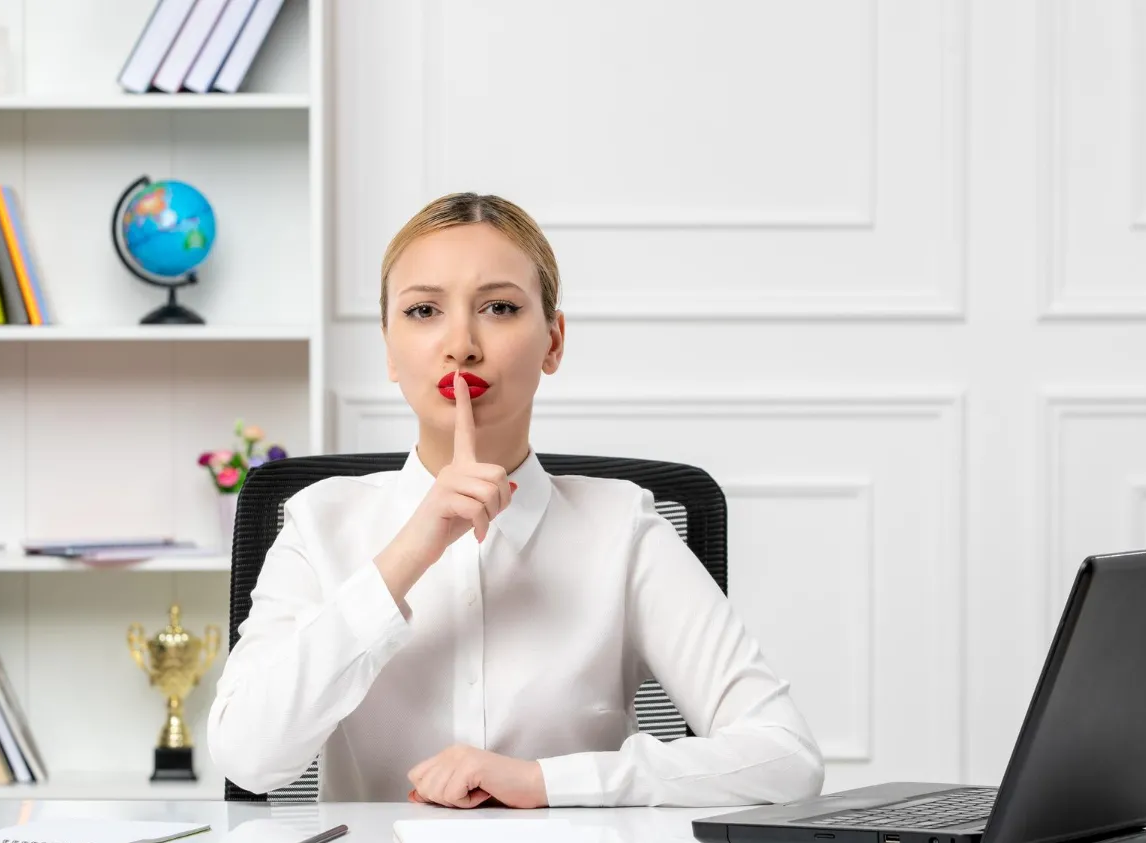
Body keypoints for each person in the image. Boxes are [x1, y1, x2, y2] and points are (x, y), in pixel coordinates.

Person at [206, 192, 824, 809]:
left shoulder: (624, 529)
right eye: (424, 311)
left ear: (553, 341)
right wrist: (410, 552)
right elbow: (250, 758)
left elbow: (785, 755)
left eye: (499, 307)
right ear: (389, 350)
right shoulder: (321, 523)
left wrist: (543, 783)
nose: (461, 344)